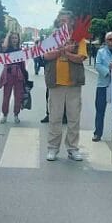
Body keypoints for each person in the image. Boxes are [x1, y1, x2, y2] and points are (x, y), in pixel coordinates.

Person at [42, 10, 86, 161]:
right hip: (56, 83)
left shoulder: (79, 38)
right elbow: (46, 55)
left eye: (65, 20)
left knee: (74, 118)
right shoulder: (52, 38)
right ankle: (52, 148)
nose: (62, 23)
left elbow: (80, 58)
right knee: (55, 118)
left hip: (73, 84)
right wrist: (63, 50)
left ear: (72, 22)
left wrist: (65, 54)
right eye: (60, 21)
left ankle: (73, 149)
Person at [93, 31, 112, 142]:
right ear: (106, 41)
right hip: (103, 84)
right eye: (109, 39)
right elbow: (98, 65)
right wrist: (109, 71)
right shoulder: (101, 52)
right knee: (100, 110)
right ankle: (98, 133)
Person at [0, 31, 28, 124]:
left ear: (18, 39)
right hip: (9, 74)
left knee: (18, 96)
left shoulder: (20, 51)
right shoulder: (7, 49)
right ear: (10, 40)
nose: (14, 40)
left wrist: (25, 77)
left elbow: (23, 64)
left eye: (16, 38)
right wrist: (8, 34)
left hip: (18, 75)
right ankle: (5, 115)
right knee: (6, 95)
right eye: (13, 38)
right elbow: (3, 46)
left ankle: (16, 115)